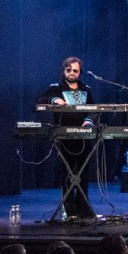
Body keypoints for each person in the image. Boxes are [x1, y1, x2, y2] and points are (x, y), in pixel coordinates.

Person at [36, 56, 96, 219]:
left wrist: (88, 120)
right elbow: (40, 100)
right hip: (64, 136)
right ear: (64, 71)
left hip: (84, 136)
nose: (72, 73)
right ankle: (69, 209)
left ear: (79, 72)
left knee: (83, 174)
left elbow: (93, 109)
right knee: (67, 174)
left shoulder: (86, 89)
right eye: (68, 70)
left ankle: (83, 207)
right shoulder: (56, 88)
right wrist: (54, 99)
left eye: (75, 71)